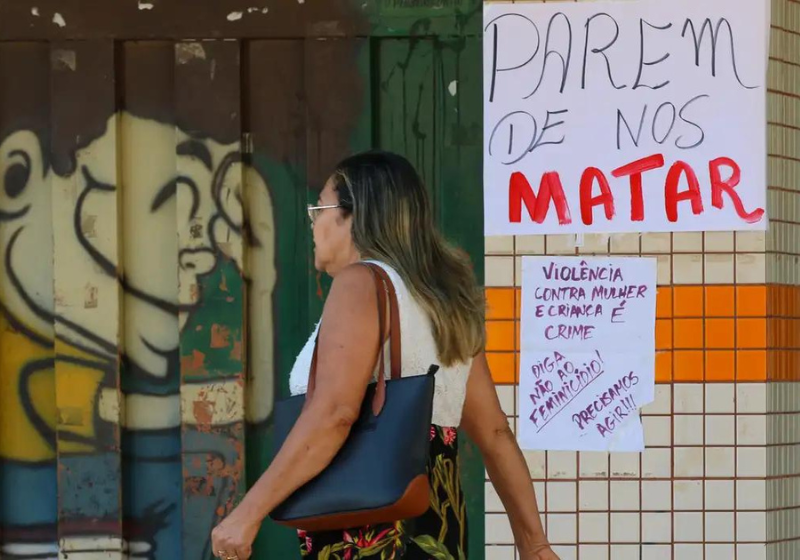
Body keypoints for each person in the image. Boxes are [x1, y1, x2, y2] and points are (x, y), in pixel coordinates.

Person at [211, 151, 558, 560]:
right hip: (439, 529)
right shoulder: (446, 302)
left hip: (370, 530)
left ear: (353, 216)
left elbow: (335, 413)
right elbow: (495, 434)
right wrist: (535, 546)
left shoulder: (360, 283)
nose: (313, 223)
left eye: (318, 209)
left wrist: (247, 514)